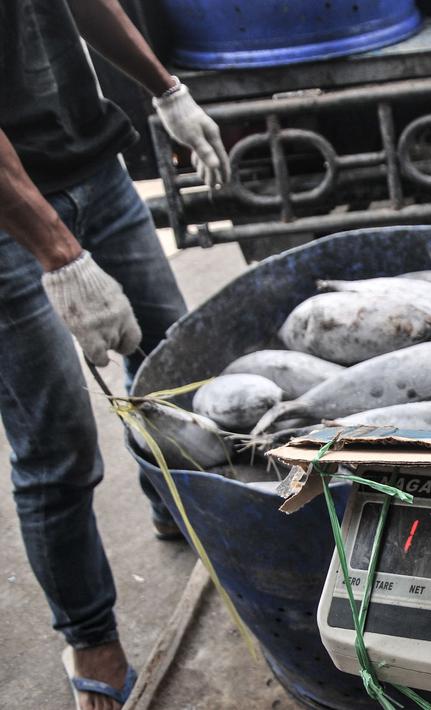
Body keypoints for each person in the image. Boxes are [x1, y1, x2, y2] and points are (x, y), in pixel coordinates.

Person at [0, 0, 227, 707]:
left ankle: (171, 500)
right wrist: (61, 256)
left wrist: (166, 88)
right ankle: (91, 636)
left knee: (170, 365)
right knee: (57, 446)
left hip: (96, 166)